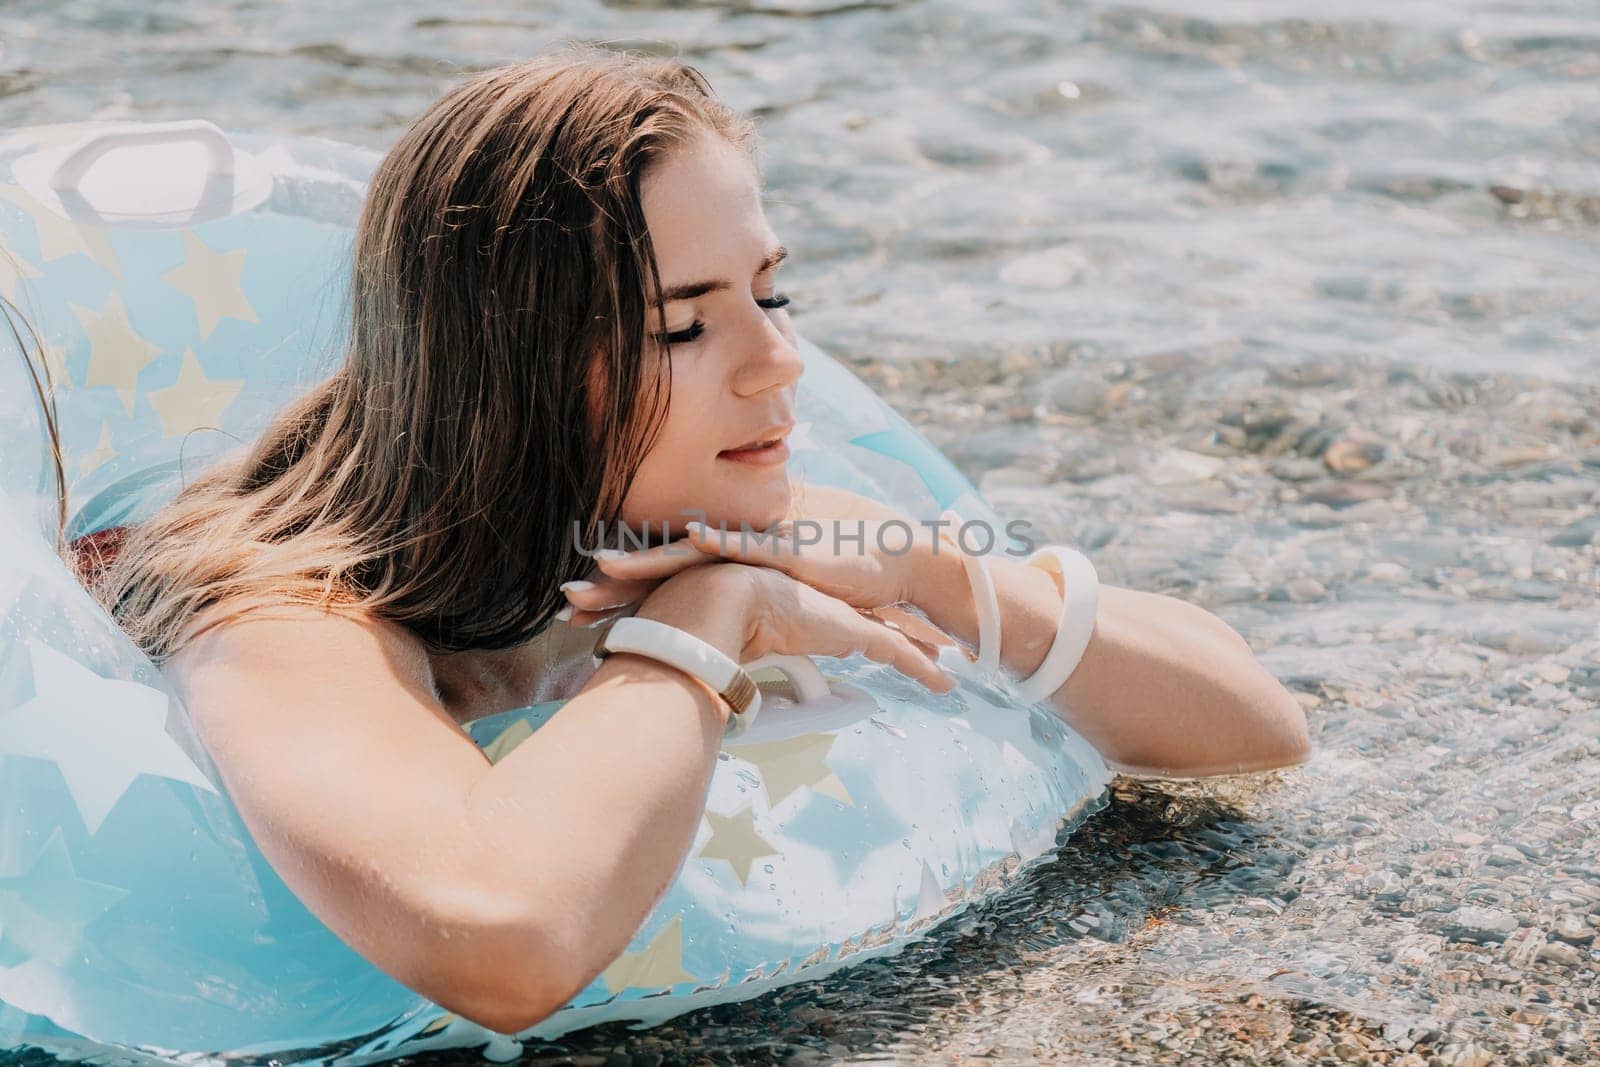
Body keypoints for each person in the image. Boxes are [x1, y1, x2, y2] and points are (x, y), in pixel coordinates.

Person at [23, 46, 1308, 1036]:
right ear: (513, 368)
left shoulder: (732, 496)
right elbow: (502, 939)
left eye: (771, 290)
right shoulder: (281, 607)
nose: (779, 361)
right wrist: (702, 618)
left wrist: (930, 572)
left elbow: (1255, 727)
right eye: (684, 326)